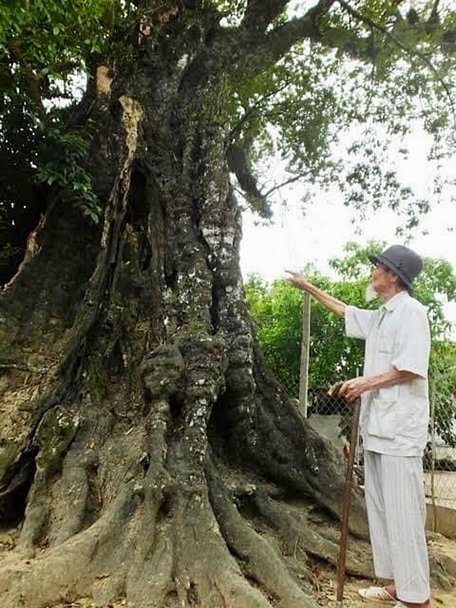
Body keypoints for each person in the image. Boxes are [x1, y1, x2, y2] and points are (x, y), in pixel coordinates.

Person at [287, 245, 432, 608]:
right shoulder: (384, 315)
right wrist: (308, 287)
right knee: (383, 511)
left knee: (404, 513)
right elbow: (345, 311)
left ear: (394, 275)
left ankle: (419, 599)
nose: (373, 272)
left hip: (400, 431)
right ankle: (400, 586)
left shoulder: (411, 313)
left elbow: (411, 367)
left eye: (378, 267)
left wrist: (364, 383)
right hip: (379, 428)